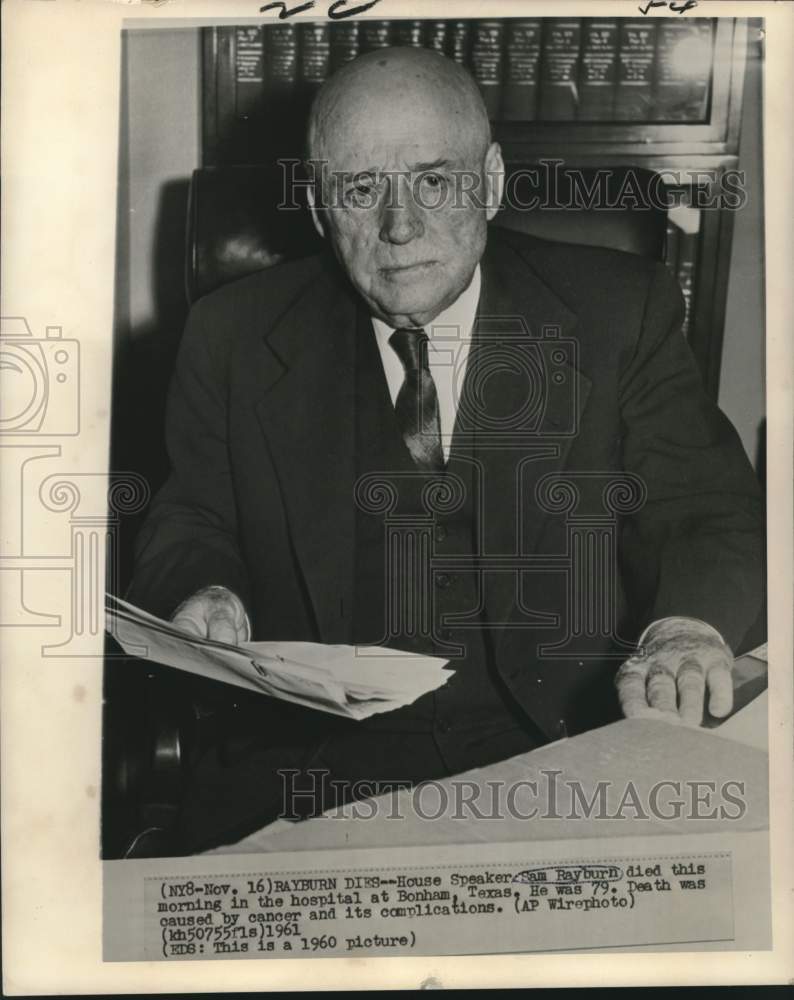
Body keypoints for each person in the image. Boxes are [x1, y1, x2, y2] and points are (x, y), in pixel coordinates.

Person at [127, 47, 764, 852]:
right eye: (361, 190)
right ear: (321, 209)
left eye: (434, 181)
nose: (400, 228)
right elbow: (193, 516)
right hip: (312, 772)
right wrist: (204, 591)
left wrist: (683, 631)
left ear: (491, 182)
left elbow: (705, 508)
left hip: (563, 748)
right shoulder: (233, 337)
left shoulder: (617, 312)